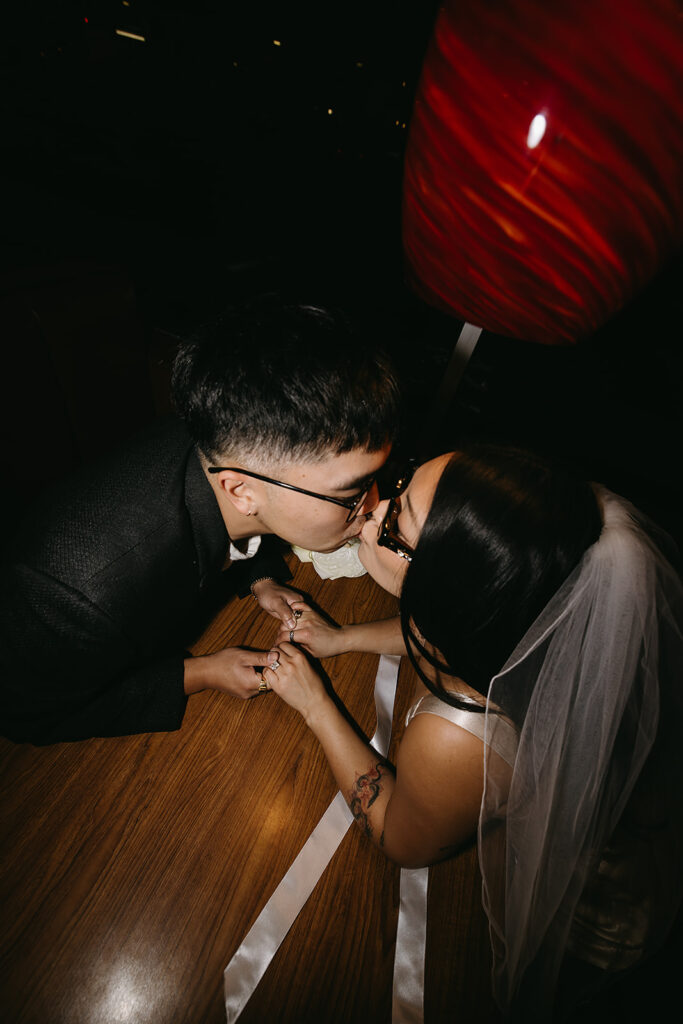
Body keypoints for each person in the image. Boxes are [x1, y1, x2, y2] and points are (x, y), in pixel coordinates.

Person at [265, 444, 683, 1020]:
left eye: (397, 516)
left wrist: (314, 704)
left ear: (447, 582)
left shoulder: (461, 735)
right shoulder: (513, 606)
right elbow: (434, 627)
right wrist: (342, 639)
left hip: (591, 914)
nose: (374, 507)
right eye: (403, 485)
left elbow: (402, 839)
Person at [0, 300, 399, 745]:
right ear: (241, 491)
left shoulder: (226, 443)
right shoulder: (76, 595)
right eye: (352, 493)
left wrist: (261, 578)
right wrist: (198, 672)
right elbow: (24, 715)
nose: (376, 505)